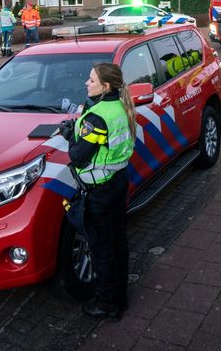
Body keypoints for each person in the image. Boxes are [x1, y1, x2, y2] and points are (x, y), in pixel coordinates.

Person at [59, 63, 136, 321]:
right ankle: (120, 296)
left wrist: (70, 135)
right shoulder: (120, 107)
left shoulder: (97, 117)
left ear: (105, 86)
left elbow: (78, 158)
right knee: (118, 243)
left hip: (100, 191)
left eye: (91, 80)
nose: (86, 83)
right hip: (117, 182)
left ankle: (107, 304)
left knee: (102, 249)